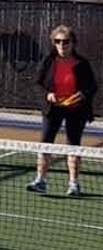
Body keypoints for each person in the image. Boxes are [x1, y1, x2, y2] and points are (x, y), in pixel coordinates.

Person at [26, 25, 97, 196]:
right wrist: (48, 94)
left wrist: (82, 95)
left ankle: (73, 184)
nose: (62, 45)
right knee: (45, 144)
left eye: (65, 42)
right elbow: (37, 83)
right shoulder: (48, 61)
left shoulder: (82, 63)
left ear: (73, 43)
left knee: (73, 145)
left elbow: (92, 86)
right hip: (53, 108)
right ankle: (40, 180)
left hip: (76, 110)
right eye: (57, 41)